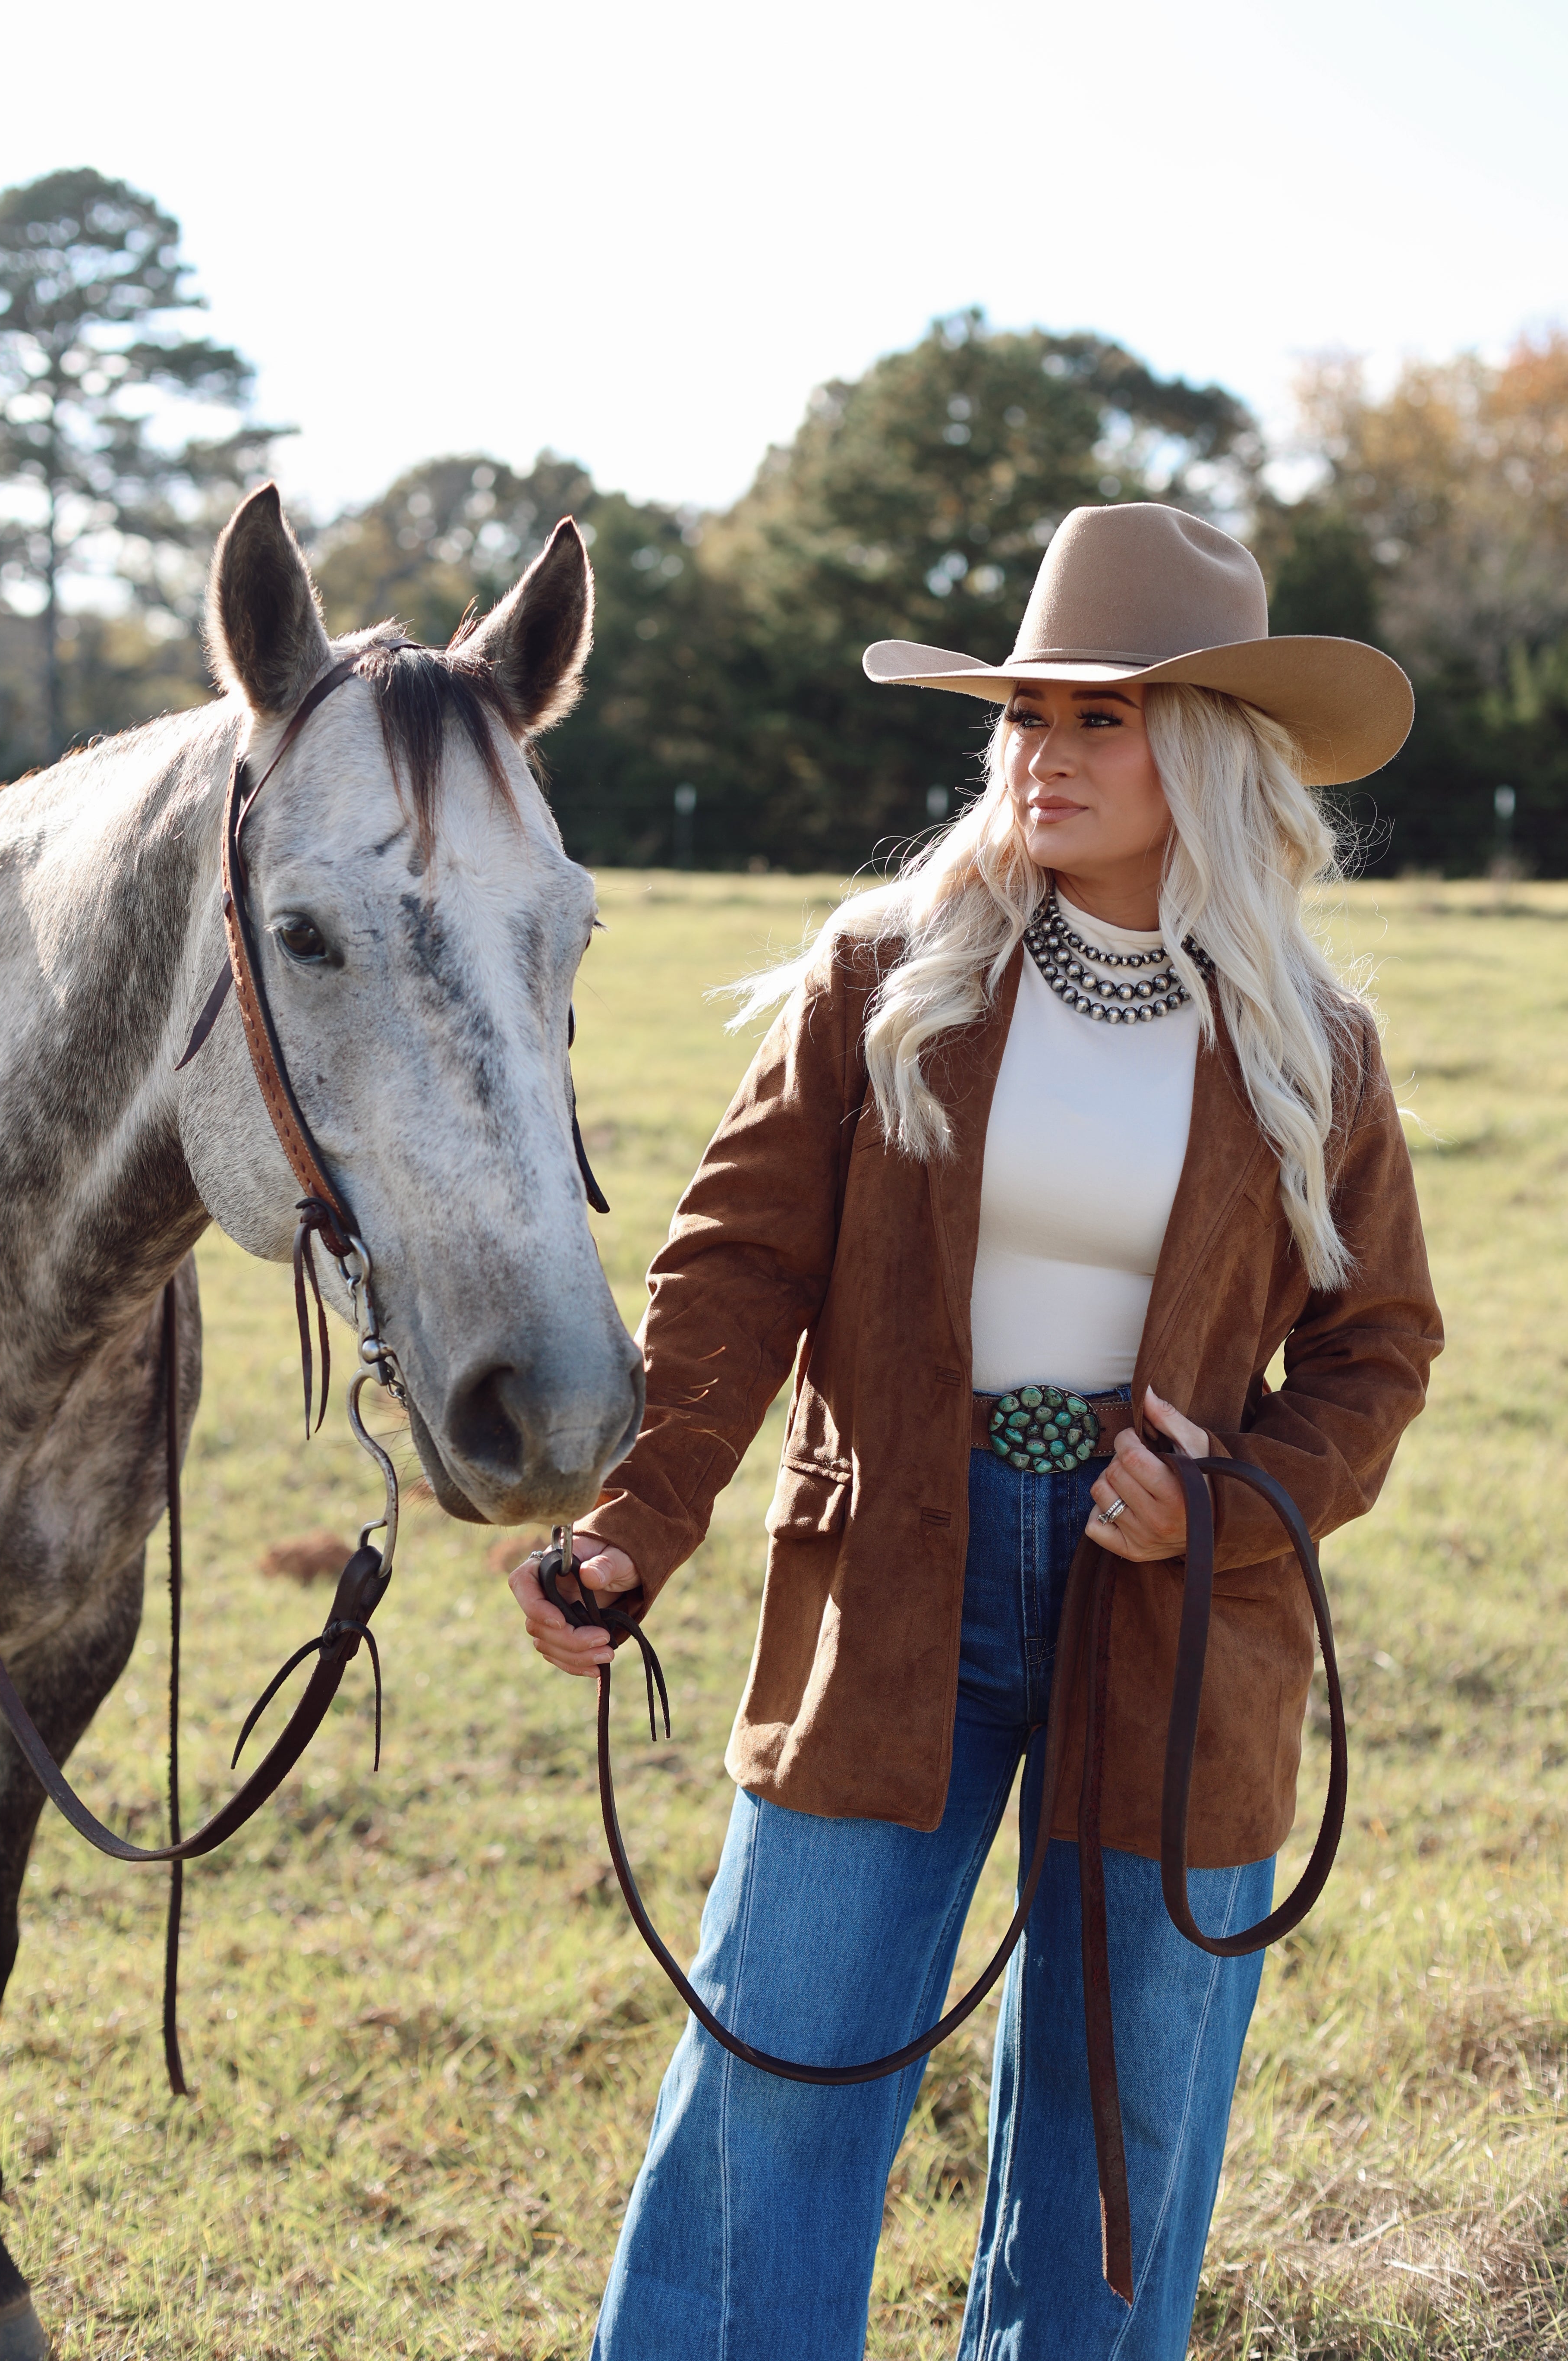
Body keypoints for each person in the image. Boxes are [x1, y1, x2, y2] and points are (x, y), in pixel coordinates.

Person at [510, 502, 1443, 2359]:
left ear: (1203, 751)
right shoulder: (886, 980)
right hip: (893, 1584)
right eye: (1027, 714)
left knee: (1123, 2139)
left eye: (1101, 717)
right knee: (780, 2066)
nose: (1046, 752)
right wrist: (635, 1520)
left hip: (1174, 1618)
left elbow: (1382, 1349)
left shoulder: (1309, 1046)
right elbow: (731, 1271)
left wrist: (1231, 1500)